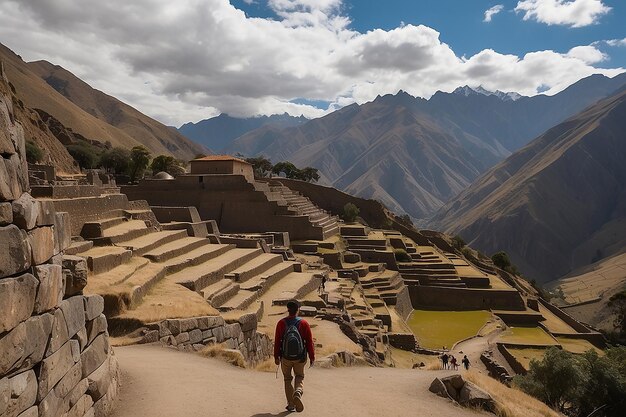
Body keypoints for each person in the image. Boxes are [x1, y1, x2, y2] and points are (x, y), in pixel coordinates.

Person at [274, 300, 315, 413]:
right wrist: (312, 357)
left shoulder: (281, 323)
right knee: (299, 376)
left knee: (287, 379)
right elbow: (309, 341)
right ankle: (298, 391)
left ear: (288, 310)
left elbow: (277, 341)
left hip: (286, 357)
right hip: (300, 357)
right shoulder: (304, 323)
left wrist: (276, 357)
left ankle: (291, 404)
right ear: (298, 310)